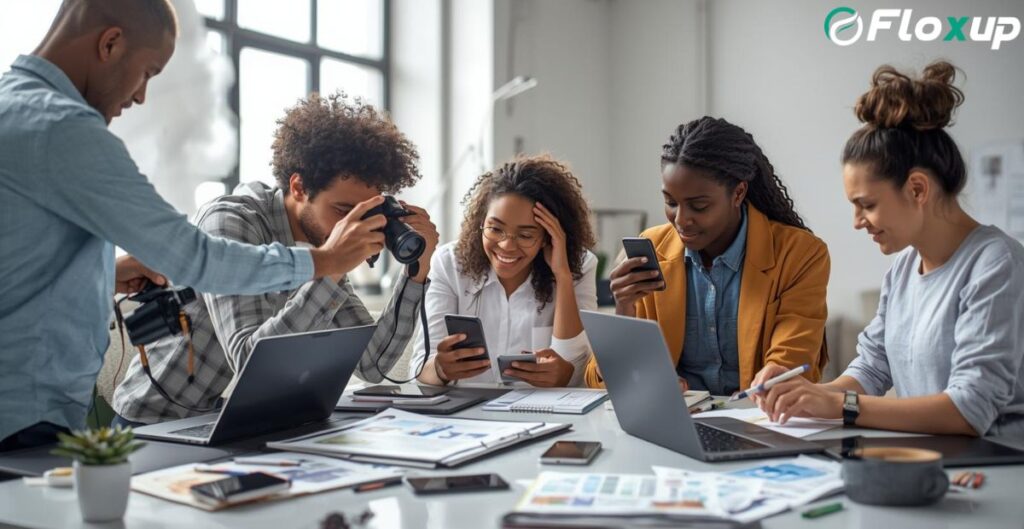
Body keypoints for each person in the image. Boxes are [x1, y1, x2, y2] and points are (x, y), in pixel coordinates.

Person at [0, 0, 367, 450]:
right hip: (22, 421)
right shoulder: (63, 129)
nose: (140, 96)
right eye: (148, 73)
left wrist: (102, 273)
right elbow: (194, 257)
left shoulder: (12, 108)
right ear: (110, 43)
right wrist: (324, 261)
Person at [111, 93, 438, 426]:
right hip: (147, 423)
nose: (350, 226)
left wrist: (416, 272)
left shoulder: (322, 244)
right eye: (343, 210)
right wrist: (331, 266)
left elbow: (373, 364)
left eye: (363, 213)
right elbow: (249, 361)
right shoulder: (231, 222)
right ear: (299, 187)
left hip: (211, 420)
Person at [759, 62, 1024, 437]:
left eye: (866, 205)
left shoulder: (996, 263)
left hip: (994, 461)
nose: (857, 221)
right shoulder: (904, 267)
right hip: (926, 456)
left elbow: (968, 410)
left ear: (917, 189)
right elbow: (871, 369)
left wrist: (840, 405)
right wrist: (802, 393)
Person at [585, 117, 830, 396]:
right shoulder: (651, 251)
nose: (681, 220)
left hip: (757, 413)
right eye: (670, 202)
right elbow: (598, 380)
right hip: (677, 414)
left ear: (738, 193)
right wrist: (624, 310)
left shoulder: (799, 254)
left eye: (699, 206)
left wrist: (774, 376)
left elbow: (792, 362)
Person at [413, 155, 598, 387]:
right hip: (467, 408)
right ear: (481, 223)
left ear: (548, 237)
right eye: (495, 229)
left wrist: (562, 276)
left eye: (526, 235)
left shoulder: (580, 266)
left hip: (540, 408)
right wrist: (441, 369)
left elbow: (578, 370)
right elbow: (420, 367)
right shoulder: (449, 263)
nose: (507, 245)